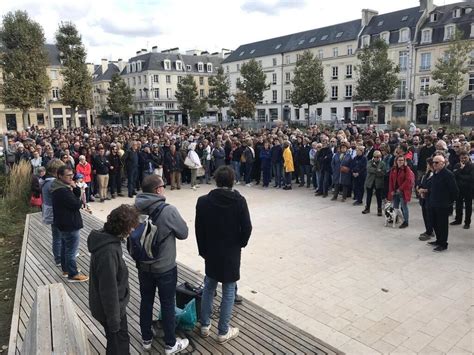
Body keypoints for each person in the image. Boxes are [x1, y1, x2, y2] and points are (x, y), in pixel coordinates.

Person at [195, 166, 252, 344]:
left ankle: (205, 325)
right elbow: (247, 227)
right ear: (232, 181)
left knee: (209, 287)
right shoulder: (239, 201)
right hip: (231, 251)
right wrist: (240, 243)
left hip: (211, 251)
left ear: (216, 180)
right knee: (228, 289)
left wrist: (202, 250)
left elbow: (199, 229)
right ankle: (223, 331)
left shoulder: (203, 201)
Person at [134, 175, 189, 353]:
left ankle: (146, 339)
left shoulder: (134, 208)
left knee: (146, 301)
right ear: (158, 190)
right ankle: (170, 344)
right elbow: (183, 233)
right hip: (165, 267)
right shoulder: (168, 210)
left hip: (143, 265)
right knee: (167, 303)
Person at [88, 205, 140, 355]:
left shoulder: (107, 238)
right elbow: (108, 289)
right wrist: (114, 322)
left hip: (112, 307)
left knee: (116, 342)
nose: (132, 231)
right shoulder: (108, 252)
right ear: (122, 228)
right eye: (130, 227)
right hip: (111, 310)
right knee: (119, 344)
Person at [50, 165, 89, 282]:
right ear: (60, 176)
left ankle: (66, 270)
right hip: (69, 223)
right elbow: (77, 204)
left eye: (72, 175)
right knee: (71, 250)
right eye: (68, 175)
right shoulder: (62, 191)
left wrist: (74, 187)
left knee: (64, 247)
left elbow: (75, 196)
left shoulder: (59, 186)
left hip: (63, 222)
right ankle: (73, 274)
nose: (71, 177)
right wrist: (79, 193)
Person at [426, 155, 459, 252]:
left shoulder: (448, 174)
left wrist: (449, 203)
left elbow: (455, 191)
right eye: (433, 162)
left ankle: (443, 244)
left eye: (436, 162)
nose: (434, 164)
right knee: (435, 223)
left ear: (443, 163)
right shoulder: (435, 173)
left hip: (443, 205)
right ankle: (438, 240)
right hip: (433, 203)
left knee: (442, 225)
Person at [41, 159, 64, 266]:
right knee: (59, 236)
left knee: (56, 236)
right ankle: (59, 258)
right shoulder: (52, 183)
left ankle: (59, 256)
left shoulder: (45, 182)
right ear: (56, 171)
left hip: (50, 211)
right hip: (56, 213)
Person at [388, 155, 415, 229]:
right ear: (396, 161)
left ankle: (406, 221)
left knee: (404, 207)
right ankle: (395, 218)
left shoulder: (407, 169)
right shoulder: (393, 169)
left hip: (403, 191)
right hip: (395, 191)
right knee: (395, 206)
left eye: (402, 160)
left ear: (404, 161)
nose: (400, 162)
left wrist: (400, 189)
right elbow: (391, 181)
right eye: (399, 160)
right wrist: (391, 191)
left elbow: (408, 180)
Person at [451, 151, 473, 229]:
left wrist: (459, 176)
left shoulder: (472, 166)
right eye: (461, 158)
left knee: (468, 206)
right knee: (458, 205)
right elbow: (453, 175)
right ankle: (458, 219)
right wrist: (460, 169)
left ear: (468, 157)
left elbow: (471, 178)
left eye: (465, 158)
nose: (463, 159)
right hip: (459, 189)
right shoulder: (457, 165)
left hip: (469, 189)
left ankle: (467, 222)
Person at [362, 150, 385, 216]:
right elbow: (369, 169)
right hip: (370, 181)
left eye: (378, 157)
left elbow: (383, 172)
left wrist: (377, 171)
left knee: (378, 197)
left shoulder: (382, 163)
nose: (376, 158)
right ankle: (367, 208)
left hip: (378, 182)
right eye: (375, 157)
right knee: (369, 195)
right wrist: (377, 170)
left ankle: (379, 209)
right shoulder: (369, 162)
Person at [417, 158, 435, 241]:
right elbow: (422, 182)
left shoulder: (435, 174)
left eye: (427, 164)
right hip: (423, 198)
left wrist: (425, 190)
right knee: (425, 215)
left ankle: (431, 231)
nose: (426, 166)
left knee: (429, 216)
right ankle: (428, 230)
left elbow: (434, 187)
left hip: (430, 198)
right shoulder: (427, 174)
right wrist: (419, 188)